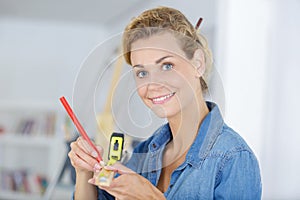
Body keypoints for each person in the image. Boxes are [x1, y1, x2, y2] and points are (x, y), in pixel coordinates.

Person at [68, 6, 262, 199]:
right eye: (142, 72)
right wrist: (83, 171)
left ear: (198, 64)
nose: (153, 84)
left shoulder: (233, 157)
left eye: (167, 65)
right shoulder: (144, 153)